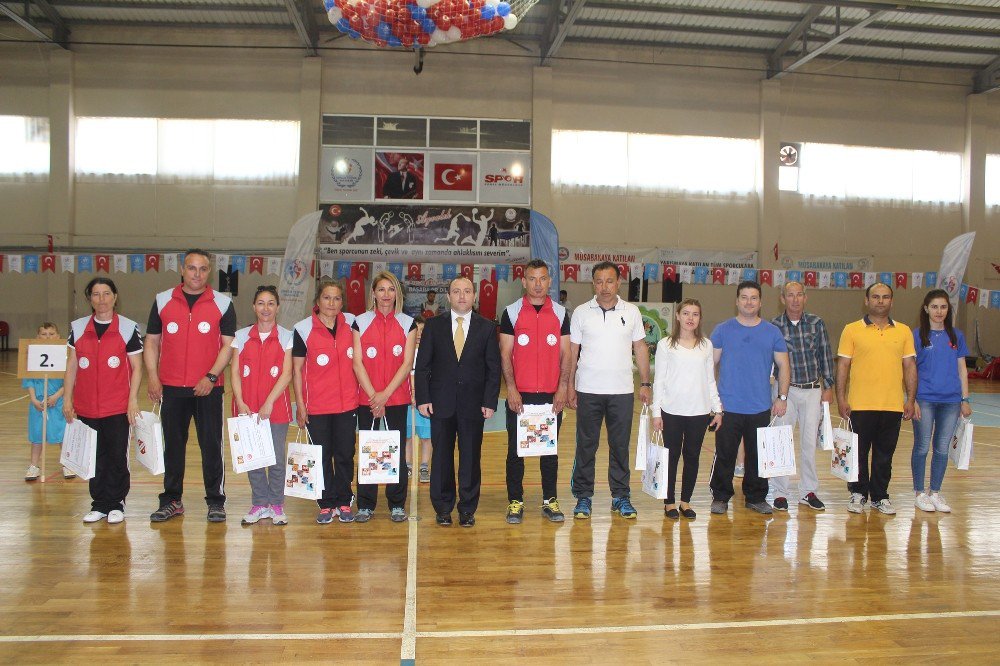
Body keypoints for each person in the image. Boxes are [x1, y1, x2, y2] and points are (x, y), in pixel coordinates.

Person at [145, 249, 237, 523]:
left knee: (212, 446)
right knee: (172, 446)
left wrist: (210, 377)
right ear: (182, 270)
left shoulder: (222, 303)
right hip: (171, 389)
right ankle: (172, 500)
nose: (197, 273)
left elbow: (229, 345)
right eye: (192, 268)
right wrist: (153, 376)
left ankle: (216, 502)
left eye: (203, 268)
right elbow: (151, 341)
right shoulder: (162, 301)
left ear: (209, 272)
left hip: (209, 388)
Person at [567, 262, 651, 520]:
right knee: (586, 445)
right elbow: (572, 352)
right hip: (588, 390)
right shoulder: (581, 312)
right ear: (593, 283)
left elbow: (640, 348)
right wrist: (569, 385)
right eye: (600, 281)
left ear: (619, 283)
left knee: (620, 446)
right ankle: (583, 497)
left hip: (622, 392)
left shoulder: (633, 312)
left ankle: (620, 496)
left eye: (610, 281)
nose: (605, 286)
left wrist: (646, 383)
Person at [415, 276, 501, 528]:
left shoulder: (486, 327)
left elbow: (492, 368)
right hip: (440, 404)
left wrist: (490, 400)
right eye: (456, 291)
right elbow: (423, 367)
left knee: (470, 458)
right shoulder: (433, 326)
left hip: (474, 405)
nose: (462, 296)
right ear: (449, 296)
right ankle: (443, 507)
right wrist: (423, 398)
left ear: (474, 296)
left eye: (467, 291)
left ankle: (467, 508)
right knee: (441, 457)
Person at [62, 278, 143, 523]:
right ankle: (99, 503)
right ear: (90, 299)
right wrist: (68, 400)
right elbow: (72, 365)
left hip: (117, 406)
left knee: (117, 455)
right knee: (94, 456)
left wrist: (132, 401)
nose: (101, 299)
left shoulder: (128, 328)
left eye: (106, 293)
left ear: (115, 297)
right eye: (96, 294)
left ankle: (117, 502)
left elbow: (137, 368)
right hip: (86, 407)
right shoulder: (77, 327)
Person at [709, 280, 790, 516]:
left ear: (760, 302)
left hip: (760, 406)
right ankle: (721, 496)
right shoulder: (723, 330)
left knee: (757, 455)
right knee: (725, 453)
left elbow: (784, 365)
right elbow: (710, 365)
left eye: (753, 298)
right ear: (737, 301)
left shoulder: (771, 332)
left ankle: (756, 497)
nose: (749, 302)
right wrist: (714, 401)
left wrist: (782, 397)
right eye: (744, 297)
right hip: (728, 406)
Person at [499, 259, 571, 524]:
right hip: (521, 395)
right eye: (532, 278)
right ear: (524, 281)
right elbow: (505, 355)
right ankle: (515, 501)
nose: (537, 284)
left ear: (550, 281)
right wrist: (512, 389)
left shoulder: (562, 314)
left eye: (542, 279)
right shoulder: (511, 312)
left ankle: (549, 500)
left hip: (551, 396)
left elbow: (566, 354)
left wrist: (562, 388)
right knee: (515, 450)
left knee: (549, 450)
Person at [836, 283, 917, 515]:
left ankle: (880, 496)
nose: (880, 301)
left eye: (885, 297)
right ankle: (858, 493)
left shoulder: (903, 331)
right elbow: (843, 365)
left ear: (892, 301)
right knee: (858, 454)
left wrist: (910, 399)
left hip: (892, 405)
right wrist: (841, 398)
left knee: (884, 456)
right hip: (860, 405)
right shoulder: (851, 330)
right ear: (866, 300)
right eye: (875, 297)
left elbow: (909, 366)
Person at [352, 271, 417, 523]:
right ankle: (366, 504)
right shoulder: (360, 322)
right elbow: (357, 363)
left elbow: (407, 362)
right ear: (374, 293)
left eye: (391, 289)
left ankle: (397, 504)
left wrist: (385, 395)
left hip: (397, 398)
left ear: (397, 294)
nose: (386, 295)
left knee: (396, 451)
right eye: (381, 289)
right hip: (367, 400)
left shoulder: (408, 323)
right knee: (368, 450)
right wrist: (373, 396)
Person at [293, 281, 360, 525]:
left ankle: (343, 500)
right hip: (317, 407)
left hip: (347, 405)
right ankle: (325, 502)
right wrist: (300, 405)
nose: (332, 303)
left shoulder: (353, 323)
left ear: (342, 302)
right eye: (326, 298)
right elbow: (297, 370)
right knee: (321, 456)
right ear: (317, 301)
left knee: (344, 454)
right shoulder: (302, 329)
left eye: (337, 299)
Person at [651, 299, 722, 520]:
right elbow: (659, 380)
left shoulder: (706, 345)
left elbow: (710, 380)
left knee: (692, 457)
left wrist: (717, 409)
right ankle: (669, 502)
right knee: (671, 457)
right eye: (686, 313)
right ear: (678, 316)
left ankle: (685, 501)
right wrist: (656, 413)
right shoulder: (665, 345)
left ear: (700, 318)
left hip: (699, 413)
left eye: (695, 314)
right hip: (671, 411)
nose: (690, 318)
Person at [768, 281, 835, 512]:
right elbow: (769, 360)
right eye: (790, 295)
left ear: (805, 298)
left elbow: (825, 355)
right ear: (782, 298)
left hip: (812, 391)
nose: (795, 299)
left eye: (799, 295)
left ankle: (808, 491)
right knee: (780, 442)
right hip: (784, 392)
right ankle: (779, 492)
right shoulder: (774, 326)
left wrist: (828, 386)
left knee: (809, 443)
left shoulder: (817, 323)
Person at [231, 285, 294, 526]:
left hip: (275, 408)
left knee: (276, 458)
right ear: (253, 307)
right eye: (260, 303)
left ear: (277, 307)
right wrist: (240, 400)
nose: (265, 308)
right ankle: (259, 503)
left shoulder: (287, 336)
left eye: (270, 303)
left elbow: (287, 374)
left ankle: (276, 504)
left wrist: (268, 402)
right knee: (253, 458)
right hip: (247, 408)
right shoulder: (242, 336)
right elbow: (235, 372)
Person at [911, 289, 971, 514]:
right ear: (926, 309)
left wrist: (964, 399)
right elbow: (909, 371)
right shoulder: (916, 336)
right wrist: (912, 399)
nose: (939, 311)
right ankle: (919, 493)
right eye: (934, 307)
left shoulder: (956, 336)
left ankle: (935, 492)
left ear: (948, 309)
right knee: (922, 446)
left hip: (951, 401)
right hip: (924, 399)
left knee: (942, 448)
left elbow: (962, 369)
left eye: (943, 307)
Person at [23, 322, 68, 481]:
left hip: (58, 401)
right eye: (44, 334)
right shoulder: (32, 356)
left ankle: (66, 464)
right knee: (37, 435)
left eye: (51, 334)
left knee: (62, 433)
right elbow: (29, 380)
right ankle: (34, 466)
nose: (47, 337)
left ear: (58, 336)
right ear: (37, 337)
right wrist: (34, 399)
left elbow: (69, 380)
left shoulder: (65, 355)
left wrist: (56, 396)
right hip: (38, 403)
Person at [405, 316, 432, 483]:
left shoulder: (429, 353)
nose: (420, 334)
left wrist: (420, 395)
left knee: (426, 437)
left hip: (423, 401)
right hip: (406, 400)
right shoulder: (404, 352)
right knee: (407, 436)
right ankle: (407, 465)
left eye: (423, 331)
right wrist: (411, 393)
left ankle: (424, 466)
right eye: (417, 330)